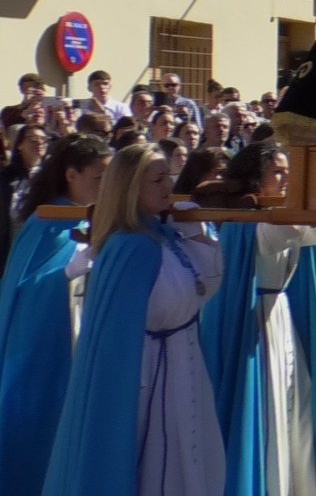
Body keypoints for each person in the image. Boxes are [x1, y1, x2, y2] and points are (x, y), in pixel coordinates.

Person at [42, 143, 226, 496]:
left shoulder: (163, 235)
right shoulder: (131, 246)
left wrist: (196, 234)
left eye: (168, 177)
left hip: (180, 364)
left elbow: (203, 289)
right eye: (158, 179)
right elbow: (170, 302)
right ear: (130, 188)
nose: (168, 186)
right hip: (148, 376)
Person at [198, 144, 316, 496]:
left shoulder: (270, 218)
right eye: (278, 172)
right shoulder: (248, 223)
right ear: (256, 178)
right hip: (257, 324)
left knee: (293, 407)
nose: (286, 178)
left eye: (289, 171)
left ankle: (289, 483)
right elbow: (301, 229)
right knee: (269, 408)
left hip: (279, 319)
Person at [0, 134, 113, 493]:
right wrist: (65, 274)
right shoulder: (46, 223)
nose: (105, 187)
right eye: (99, 178)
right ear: (71, 175)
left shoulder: (102, 219)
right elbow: (25, 291)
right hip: (49, 347)